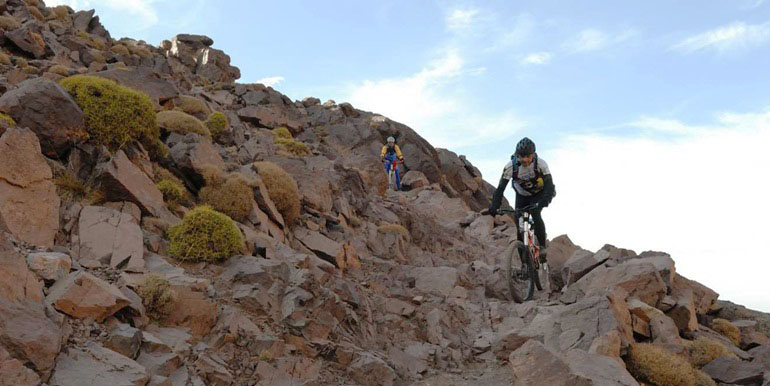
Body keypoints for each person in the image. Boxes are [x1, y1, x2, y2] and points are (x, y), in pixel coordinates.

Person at [489, 137, 555, 254]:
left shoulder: (541, 164)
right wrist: (494, 206)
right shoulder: (510, 167)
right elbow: (500, 189)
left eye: (528, 156)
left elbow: (549, 185)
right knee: (518, 227)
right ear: (516, 155)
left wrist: (545, 200)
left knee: (535, 213)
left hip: (538, 194)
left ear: (533, 155)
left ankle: (543, 247)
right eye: (521, 156)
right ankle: (524, 263)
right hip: (521, 195)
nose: (525, 160)